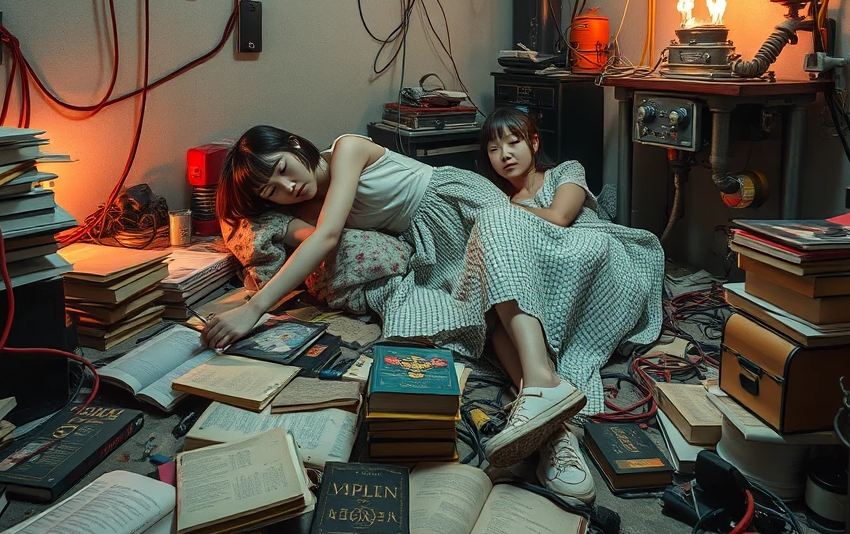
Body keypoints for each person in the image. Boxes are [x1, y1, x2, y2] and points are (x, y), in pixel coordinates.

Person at [204, 126, 590, 478]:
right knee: (487, 320)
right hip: (433, 248)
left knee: (502, 280)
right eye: (272, 189)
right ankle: (551, 418)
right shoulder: (304, 207)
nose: (288, 186)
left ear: (295, 143)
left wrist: (253, 309)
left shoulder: (346, 150)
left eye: (285, 169)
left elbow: (327, 238)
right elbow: (266, 230)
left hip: (457, 207)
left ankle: (542, 389)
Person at [461, 107, 665, 502]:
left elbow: (559, 218)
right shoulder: (498, 201)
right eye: (493, 149)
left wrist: (501, 214)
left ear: (534, 143)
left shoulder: (564, 172)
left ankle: (538, 392)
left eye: (514, 141)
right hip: (541, 281)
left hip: (591, 259)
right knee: (495, 316)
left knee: (496, 226)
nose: (504, 154)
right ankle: (550, 417)